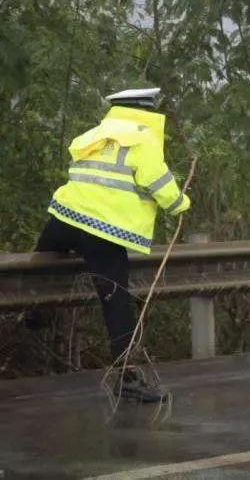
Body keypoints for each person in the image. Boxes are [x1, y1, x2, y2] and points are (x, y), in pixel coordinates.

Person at [30, 88, 190, 402]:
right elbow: (157, 181)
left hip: (63, 218)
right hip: (101, 230)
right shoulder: (143, 137)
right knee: (116, 301)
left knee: (35, 271)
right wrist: (180, 203)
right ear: (145, 109)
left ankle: (35, 315)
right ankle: (127, 377)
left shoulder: (94, 134)